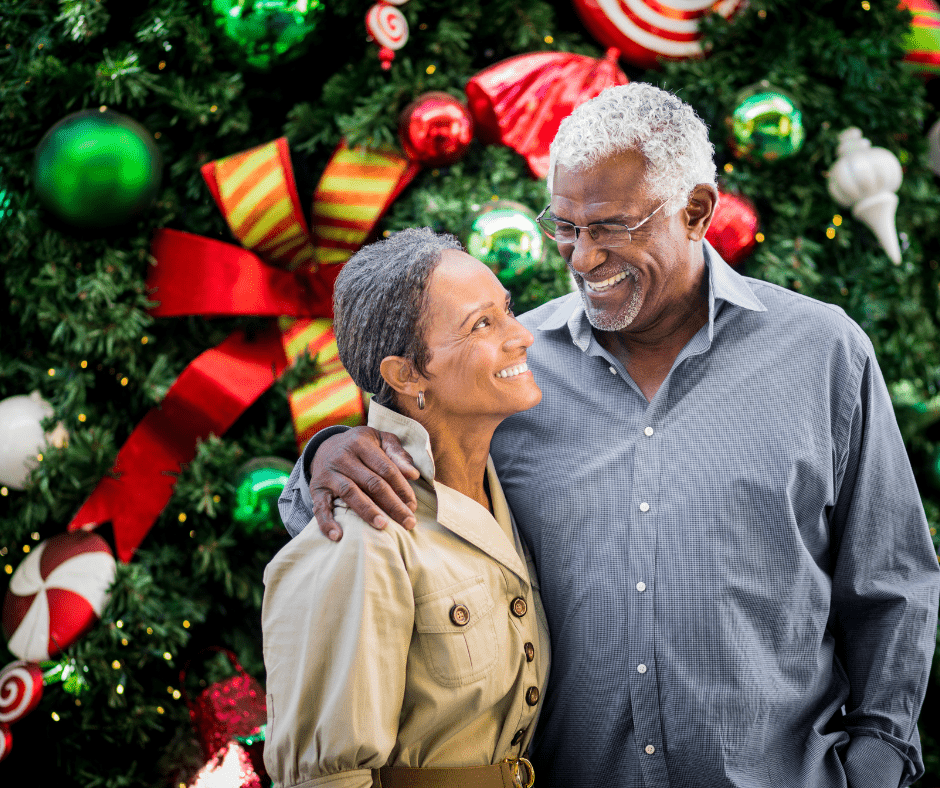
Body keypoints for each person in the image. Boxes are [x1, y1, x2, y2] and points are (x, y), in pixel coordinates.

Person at [278, 84, 940, 788]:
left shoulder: (822, 352)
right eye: (564, 225)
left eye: (611, 227)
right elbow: (372, 536)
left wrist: (877, 763)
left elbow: (891, 583)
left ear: (695, 211)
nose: (582, 258)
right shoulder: (509, 369)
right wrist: (323, 454)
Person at [262, 227, 550, 788]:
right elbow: (326, 778)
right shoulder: (363, 535)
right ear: (407, 374)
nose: (523, 336)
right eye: (482, 324)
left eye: (507, 310)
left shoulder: (502, 491)